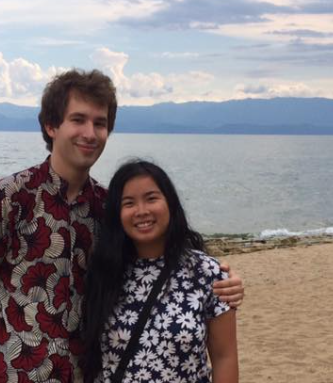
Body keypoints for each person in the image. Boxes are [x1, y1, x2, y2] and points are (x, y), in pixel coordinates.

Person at [0, 69, 244, 383]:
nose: (90, 133)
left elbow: (154, 259)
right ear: (51, 125)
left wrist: (219, 276)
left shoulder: (108, 208)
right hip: (14, 372)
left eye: (100, 123)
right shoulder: (7, 197)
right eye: (78, 120)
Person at [82, 160, 238, 382]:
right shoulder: (103, 273)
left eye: (151, 198)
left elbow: (225, 357)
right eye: (129, 203)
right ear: (117, 213)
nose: (142, 211)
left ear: (170, 203)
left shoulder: (207, 273)